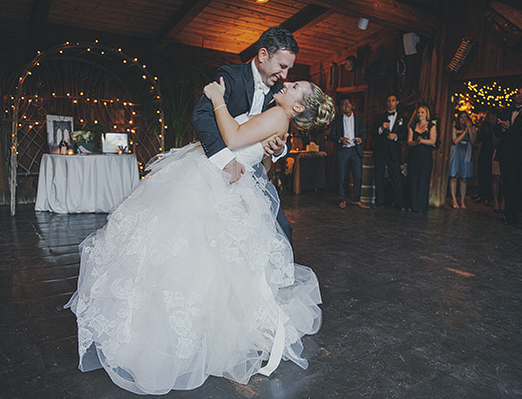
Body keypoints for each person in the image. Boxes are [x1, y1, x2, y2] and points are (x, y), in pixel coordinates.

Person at [64, 78, 335, 395]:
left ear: (298, 106)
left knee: (184, 254)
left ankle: (166, 336)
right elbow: (252, 146)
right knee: (205, 261)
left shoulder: (278, 115)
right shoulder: (280, 118)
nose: (287, 83)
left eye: (295, 86)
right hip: (220, 176)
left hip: (213, 180)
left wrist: (217, 97)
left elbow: (233, 138)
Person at [192, 26, 297, 244]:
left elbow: (284, 130)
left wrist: (280, 149)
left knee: (280, 231)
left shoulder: (279, 92)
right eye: (281, 66)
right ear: (262, 55)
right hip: (218, 167)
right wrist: (225, 160)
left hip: (255, 173)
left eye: (288, 69)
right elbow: (202, 116)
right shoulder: (230, 76)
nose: (285, 76)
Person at [494, 87, 522, 225]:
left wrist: (509, 129)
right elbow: (496, 130)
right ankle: (508, 214)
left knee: (515, 185)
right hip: (505, 153)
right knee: (506, 184)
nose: (519, 96)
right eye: (518, 93)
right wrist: (503, 127)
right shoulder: (506, 111)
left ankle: (514, 215)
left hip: (518, 155)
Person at [328, 95, 369, 209]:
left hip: (356, 150)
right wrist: (340, 139)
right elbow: (331, 135)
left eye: (348, 103)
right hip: (343, 151)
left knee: (358, 176)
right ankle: (342, 200)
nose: (346, 106)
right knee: (342, 176)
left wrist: (361, 139)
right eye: (343, 104)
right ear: (341, 107)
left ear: (352, 105)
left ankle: (356, 200)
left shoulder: (359, 119)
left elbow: (364, 133)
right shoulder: (337, 120)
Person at [373, 94, 406, 209]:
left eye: (393, 101)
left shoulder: (403, 117)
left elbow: (405, 134)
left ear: (397, 102)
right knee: (379, 176)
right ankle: (380, 201)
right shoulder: (380, 116)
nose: (391, 103)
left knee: (396, 176)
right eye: (388, 101)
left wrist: (396, 136)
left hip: (394, 151)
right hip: (381, 150)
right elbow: (373, 133)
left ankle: (399, 202)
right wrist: (381, 128)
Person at [406, 105, 437, 213]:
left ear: (426, 114)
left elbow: (433, 141)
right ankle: (412, 204)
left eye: (422, 112)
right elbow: (409, 142)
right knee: (413, 179)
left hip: (425, 156)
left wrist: (422, 141)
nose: (420, 115)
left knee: (423, 179)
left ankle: (421, 206)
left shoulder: (431, 126)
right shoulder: (413, 126)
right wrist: (415, 142)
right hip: (414, 155)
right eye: (418, 112)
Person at [448, 111, 477, 209]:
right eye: (461, 117)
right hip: (457, 152)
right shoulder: (454, 128)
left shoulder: (472, 129)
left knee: (464, 178)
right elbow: (455, 141)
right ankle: (454, 199)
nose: (463, 119)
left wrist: (469, 130)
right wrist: (464, 132)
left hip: (466, 153)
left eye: (465, 117)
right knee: (454, 177)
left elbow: (473, 142)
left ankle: (462, 200)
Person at [475, 107, 498, 205]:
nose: (489, 116)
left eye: (491, 114)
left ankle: (490, 197)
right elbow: (479, 138)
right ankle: (482, 194)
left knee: (490, 174)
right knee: (482, 172)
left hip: (493, 150)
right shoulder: (484, 124)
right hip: (484, 149)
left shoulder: (497, 124)